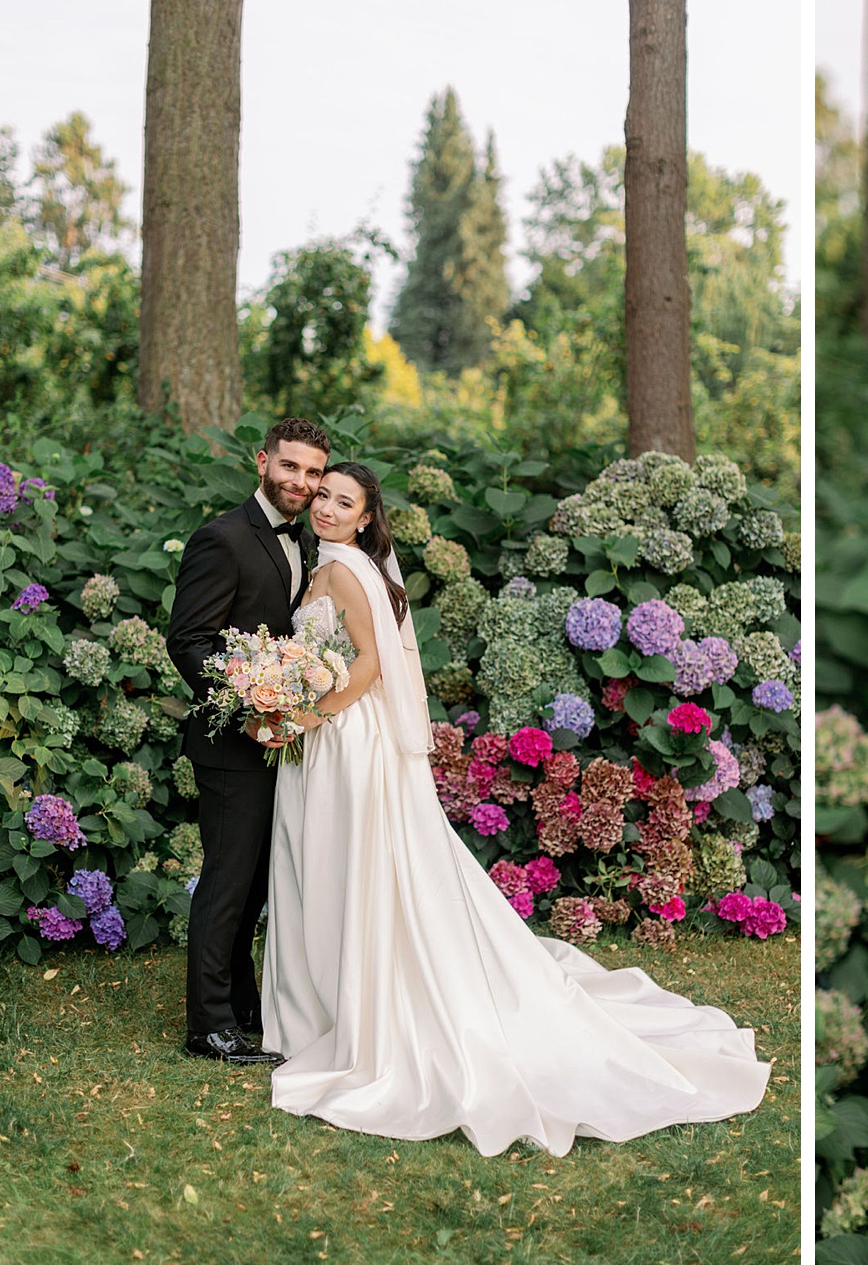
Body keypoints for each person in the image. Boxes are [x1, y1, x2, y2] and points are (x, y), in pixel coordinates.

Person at [260, 463, 772, 1157]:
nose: (324, 507)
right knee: (334, 867)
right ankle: (327, 1004)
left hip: (344, 736)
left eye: (341, 501)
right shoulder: (333, 564)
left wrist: (303, 715)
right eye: (322, 495)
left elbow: (371, 665)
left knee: (341, 867)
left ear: (363, 517)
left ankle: (348, 1014)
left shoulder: (346, 571)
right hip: (337, 735)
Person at [166, 416, 330, 1065]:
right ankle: (207, 1025)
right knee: (227, 885)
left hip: (276, 744)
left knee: (257, 887)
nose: (302, 480)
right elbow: (190, 641)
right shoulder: (223, 537)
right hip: (232, 747)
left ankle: (241, 1005)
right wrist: (248, 704)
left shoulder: (304, 542)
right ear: (263, 461)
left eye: (314, 471)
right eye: (291, 466)